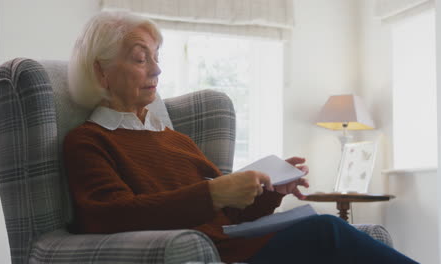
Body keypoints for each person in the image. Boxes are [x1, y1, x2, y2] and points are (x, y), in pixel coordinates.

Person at [63, 10, 418, 264]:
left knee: (323, 227)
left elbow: (228, 215)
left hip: (236, 246)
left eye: (156, 57)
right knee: (326, 230)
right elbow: (107, 217)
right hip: (215, 255)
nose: (157, 69)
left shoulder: (174, 139)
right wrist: (213, 193)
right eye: (141, 59)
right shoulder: (89, 141)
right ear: (101, 71)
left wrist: (266, 194)